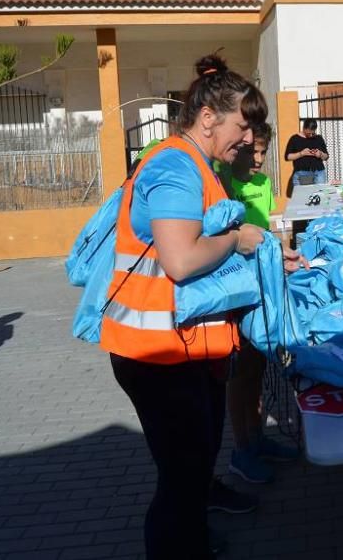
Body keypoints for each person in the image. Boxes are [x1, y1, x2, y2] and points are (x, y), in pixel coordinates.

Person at [101, 54, 302, 559]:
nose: (248, 140)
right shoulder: (174, 165)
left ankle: (190, 540)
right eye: (242, 125)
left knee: (190, 473)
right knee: (180, 478)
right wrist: (237, 241)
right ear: (208, 117)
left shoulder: (199, 166)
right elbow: (182, 260)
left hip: (184, 350)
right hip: (159, 355)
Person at [213, 122, 299, 484]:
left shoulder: (263, 185)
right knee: (239, 375)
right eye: (252, 152)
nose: (259, 160)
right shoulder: (221, 181)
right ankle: (241, 449)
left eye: (263, 152)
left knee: (258, 369)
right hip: (236, 289)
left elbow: (264, 231)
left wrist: (285, 252)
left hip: (263, 283)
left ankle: (258, 439)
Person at [284, 118, 328, 190]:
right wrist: (301, 153)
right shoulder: (295, 139)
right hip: (303, 173)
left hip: (319, 172)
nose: (311, 135)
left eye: (313, 133)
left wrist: (320, 154)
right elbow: (288, 157)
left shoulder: (319, 138)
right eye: (308, 133)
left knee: (320, 195)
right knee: (305, 196)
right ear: (304, 128)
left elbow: (326, 156)